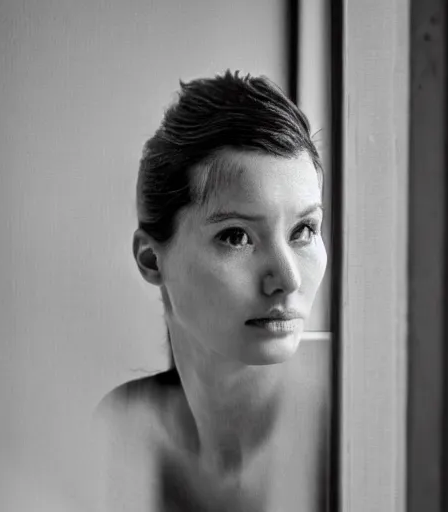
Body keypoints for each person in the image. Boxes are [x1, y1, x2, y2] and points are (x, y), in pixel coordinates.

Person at [94, 70, 328, 512]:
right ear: (151, 259)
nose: (288, 278)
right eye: (237, 236)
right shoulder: (126, 424)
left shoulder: (367, 396)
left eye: (304, 230)